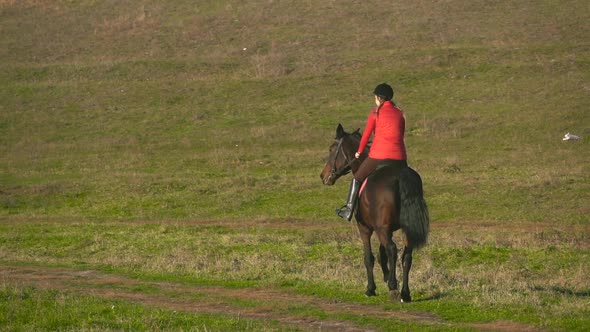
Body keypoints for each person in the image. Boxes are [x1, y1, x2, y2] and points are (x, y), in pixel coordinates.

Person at [336, 83, 408, 221]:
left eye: (375, 97)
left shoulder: (376, 113)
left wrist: (359, 151)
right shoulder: (400, 113)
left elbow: (366, 136)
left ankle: (348, 210)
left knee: (356, 178)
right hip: (400, 157)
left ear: (379, 98)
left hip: (378, 156)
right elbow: (401, 135)